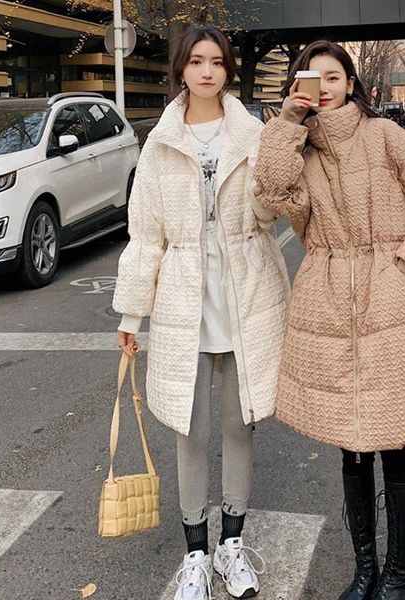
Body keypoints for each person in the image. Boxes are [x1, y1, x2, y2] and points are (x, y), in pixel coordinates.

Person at [254, 40, 405, 600]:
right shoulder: (296, 149)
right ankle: (363, 572)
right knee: (350, 445)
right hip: (328, 301)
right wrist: (286, 123)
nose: (322, 88)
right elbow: (271, 192)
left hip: (395, 303)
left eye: (333, 77)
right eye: (311, 78)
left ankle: (397, 576)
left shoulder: (384, 136)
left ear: (351, 84)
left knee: (396, 443)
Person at [112, 25, 289, 600]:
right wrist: (131, 316)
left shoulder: (253, 132)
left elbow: (269, 213)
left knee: (241, 424)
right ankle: (195, 552)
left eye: (216, 61)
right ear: (181, 70)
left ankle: (231, 545)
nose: (207, 70)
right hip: (184, 299)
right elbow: (146, 237)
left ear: (228, 69)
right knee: (190, 430)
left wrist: (274, 179)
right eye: (196, 61)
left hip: (247, 294)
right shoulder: (160, 142)